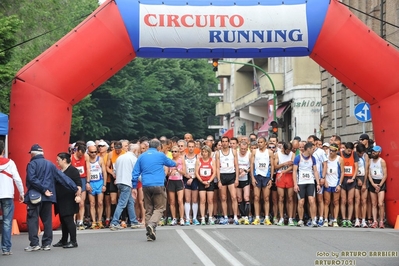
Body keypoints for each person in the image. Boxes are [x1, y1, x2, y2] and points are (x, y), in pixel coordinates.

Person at [24, 144, 79, 252]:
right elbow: (62, 177)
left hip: (35, 196)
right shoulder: (50, 164)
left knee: (33, 220)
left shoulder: (32, 164)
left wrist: (43, 189)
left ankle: (34, 243)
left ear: (33, 154)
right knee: (47, 220)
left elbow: (31, 179)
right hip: (48, 197)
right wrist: (74, 187)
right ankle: (46, 243)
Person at [132, 139, 176, 241]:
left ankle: (149, 234)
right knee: (160, 208)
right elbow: (171, 163)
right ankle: (152, 224)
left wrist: (134, 187)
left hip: (146, 185)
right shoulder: (160, 155)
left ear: (148, 147)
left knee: (148, 209)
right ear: (158, 147)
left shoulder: (142, 156)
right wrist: (176, 163)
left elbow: (135, 173)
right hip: (158, 184)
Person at [0, 140, 24, 255]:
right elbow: (17, 179)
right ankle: (6, 248)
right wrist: (22, 192)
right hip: (7, 194)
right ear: (3, 150)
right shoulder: (10, 163)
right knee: (7, 222)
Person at [53, 152, 82, 248]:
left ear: (64, 160)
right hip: (61, 199)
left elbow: (78, 184)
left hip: (69, 199)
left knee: (69, 220)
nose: (57, 162)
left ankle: (73, 241)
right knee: (63, 220)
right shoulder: (60, 171)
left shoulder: (73, 170)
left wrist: (78, 195)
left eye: (58, 160)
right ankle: (64, 239)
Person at [110, 144, 141, 230]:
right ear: (134, 151)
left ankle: (133, 221)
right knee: (122, 203)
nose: (138, 153)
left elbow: (114, 170)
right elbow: (136, 172)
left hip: (119, 182)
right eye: (138, 151)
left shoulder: (120, 157)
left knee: (130, 202)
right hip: (127, 182)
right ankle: (114, 222)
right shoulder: (134, 159)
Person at [292, 142, 321, 227]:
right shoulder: (298, 158)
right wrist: (295, 184)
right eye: (312, 149)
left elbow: (315, 171)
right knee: (301, 202)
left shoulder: (313, 158)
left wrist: (318, 183)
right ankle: (300, 220)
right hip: (301, 182)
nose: (313, 150)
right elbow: (294, 171)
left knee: (312, 201)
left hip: (310, 182)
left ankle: (313, 220)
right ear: (308, 149)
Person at [250, 137, 274, 225]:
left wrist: (271, 178)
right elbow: (252, 165)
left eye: (261, 142)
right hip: (257, 175)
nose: (259, 144)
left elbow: (272, 166)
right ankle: (257, 217)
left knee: (266, 198)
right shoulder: (254, 152)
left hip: (266, 176)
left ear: (265, 143)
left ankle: (267, 217)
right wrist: (252, 177)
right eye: (258, 142)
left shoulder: (270, 152)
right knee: (256, 197)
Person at [215, 136, 239, 225]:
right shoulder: (218, 153)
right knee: (223, 198)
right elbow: (217, 167)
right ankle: (225, 216)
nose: (224, 143)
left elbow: (236, 165)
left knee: (233, 197)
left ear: (228, 143)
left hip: (231, 175)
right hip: (222, 175)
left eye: (226, 141)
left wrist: (236, 178)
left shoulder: (233, 151)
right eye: (223, 141)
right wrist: (219, 180)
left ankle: (235, 217)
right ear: (221, 143)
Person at [274, 142, 295, 226]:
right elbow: (275, 166)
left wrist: (285, 171)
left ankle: (290, 218)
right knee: (281, 197)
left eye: (290, 150)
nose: (289, 152)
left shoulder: (292, 154)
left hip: (289, 175)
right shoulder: (277, 154)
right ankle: (281, 218)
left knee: (290, 198)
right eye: (288, 150)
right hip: (280, 175)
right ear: (284, 149)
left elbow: (293, 165)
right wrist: (284, 164)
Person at [322, 144, 343, 227]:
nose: (330, 152)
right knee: (326, 201)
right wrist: (325, 180)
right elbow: (324, 169)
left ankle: (335, 219)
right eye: (330, 150)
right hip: (328, 182)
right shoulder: (326, 158)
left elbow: (342, 172)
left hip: (336, 182)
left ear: (336, 151)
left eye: (333, 151)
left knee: (336, 201)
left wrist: (339, 184)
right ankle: (326, 219)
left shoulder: (339, 159)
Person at [87, 145, 107, 229]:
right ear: (88, 152)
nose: (94, 154)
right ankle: (94, 221)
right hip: (91, 183)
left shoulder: (100, 159)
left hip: (99, 182)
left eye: (95, 152)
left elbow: (104, 172)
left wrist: (104, 185)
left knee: (100, 203)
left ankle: (99, 221)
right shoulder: (87, 160)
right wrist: (87, 183)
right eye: (92, 152)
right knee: (92, 203)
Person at [195, 145, 216, 225]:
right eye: (203, 152)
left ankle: (210, 217)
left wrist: (209, 181)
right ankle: (203, 217)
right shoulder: (198, 160)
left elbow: (214, 172)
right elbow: (196, 172)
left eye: (206, 152)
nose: (204, 153)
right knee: (202, 200)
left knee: (210, 200)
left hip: (209, 181)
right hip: (201, 182)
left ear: (209, 153)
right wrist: (202, 181)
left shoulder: (212, 160)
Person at [368, 146, 387, 229]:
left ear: (379, 153)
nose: (373, 153)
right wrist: (372, 183)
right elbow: (368, 173)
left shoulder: (382, 161)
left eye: (375, 152)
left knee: (380, 203)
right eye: (373, 151)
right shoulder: (370, 161)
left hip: (380, 182)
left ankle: (381, 221)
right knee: (374, 203)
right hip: (373, 182)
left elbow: (385, 174)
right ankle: (375, 220)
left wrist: (380, 185)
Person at [166, 145, 186, 226]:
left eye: (175, 151)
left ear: (178, 152)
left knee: (180, 201)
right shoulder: (169, 161)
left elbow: (184, 172)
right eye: (172, 151)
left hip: (179, 181)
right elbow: (167, 173)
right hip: (171, 181)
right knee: (172, 201)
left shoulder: (181, 160)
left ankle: (181, 218)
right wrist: (171, 172)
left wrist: (177, 169)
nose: (174, 153)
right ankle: (174, 218)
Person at [183, 140, 199, 225]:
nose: (191, 148)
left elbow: (198, 170)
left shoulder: (197, 157)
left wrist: (192, 177)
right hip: (186, 179)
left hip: (195, 179)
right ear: (187, 147)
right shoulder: (184, 157)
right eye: (189, 146)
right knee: (187, 199)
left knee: (195, 199)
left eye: (193, 147)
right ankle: (188, 218)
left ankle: (195, 218)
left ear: (195, 147)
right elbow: (183, 169)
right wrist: (187, 176)